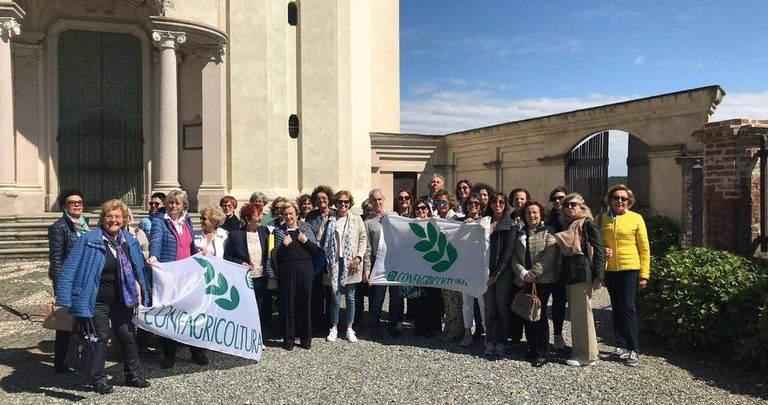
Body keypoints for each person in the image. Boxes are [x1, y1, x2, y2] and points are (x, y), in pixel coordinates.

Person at [55, 199, 150, 394]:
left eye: (117, 216)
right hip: (96, 299)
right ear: (102, 218)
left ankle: (132, 375)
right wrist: (63, 299)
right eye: (109, 216)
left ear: (124, 219)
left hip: (122, 298)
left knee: (127, 336)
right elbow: (69, 268)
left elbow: (137, 268)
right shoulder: (89, 240)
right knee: (99, 338)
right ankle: (98, 379)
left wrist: (142, 288)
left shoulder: (129, 240)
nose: (113, 220)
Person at [149, 189, 208, 369]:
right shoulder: (160, 221)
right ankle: (169, 355)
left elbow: (189, 245)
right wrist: (153, 257)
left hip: (187, 275)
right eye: (170, 202)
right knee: (171, 313)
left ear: (183, 205)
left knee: (192, 312)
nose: (173, 205)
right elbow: (156, 240)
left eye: (177, 203)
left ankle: (196, 351)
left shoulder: (187, 221)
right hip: (170, 275)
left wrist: (196, 252)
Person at [600, 184, 650, 367]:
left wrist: (644, 274)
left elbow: (644, 249)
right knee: (616, 307)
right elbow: (597, 243)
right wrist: (603, 250)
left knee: (628, 307)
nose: (620, 201)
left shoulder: (636, 219)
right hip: (611, 270)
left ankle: (634, 348)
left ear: (629, 202)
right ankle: (620, 344)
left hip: (630, 268)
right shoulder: (602, 219)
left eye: (623, 199)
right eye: (616, 198)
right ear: (610, 200)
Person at [555, 193, 605, 367]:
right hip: (570, 272)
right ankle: (583, 350)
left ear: (581, 206)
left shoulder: (587, 224)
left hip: (581, 272)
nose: (570, 207)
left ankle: (587, 355)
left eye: (573, 204)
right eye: (566, 205)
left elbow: (599, 249)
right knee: (577, 314)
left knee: (583, 314)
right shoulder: (569, 224)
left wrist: (599, 276)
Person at [510, 201, 559, 367]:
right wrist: (523, 273)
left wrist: (533, 273)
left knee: (539, 315)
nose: (532, 216)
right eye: (529, 213)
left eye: (535, 213)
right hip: (523, 279)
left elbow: (549, 256)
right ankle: (531, 347)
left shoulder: (548, 232)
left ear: (541, 214)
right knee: (526, 314)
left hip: (542, 281)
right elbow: (514, 256)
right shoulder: (520, 233)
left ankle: (542, 352)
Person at [268, 201, 320, 350]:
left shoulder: (306, 228)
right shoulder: (278, 231)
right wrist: (284, 245)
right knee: (288, 305)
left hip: (305, 269)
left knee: (305, 303)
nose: (289, 216)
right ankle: (289, 338)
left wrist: (306, 242)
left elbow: (315, 251)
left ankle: (305, 338)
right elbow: (276, 256)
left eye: (291, 213)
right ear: (282, 216)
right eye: (286, 214)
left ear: (297, 214)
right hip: (287, 271)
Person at [48, 189, 89, 374]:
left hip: (82, 277)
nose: (77, 205)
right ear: (64, 206)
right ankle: (61, 363)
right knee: (65, 322)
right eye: (72, 203)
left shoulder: (84, 224)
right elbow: (56, 258)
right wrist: (58, 287)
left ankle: (76, 356)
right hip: (67, 279)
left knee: (80, 318)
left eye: (79, 202)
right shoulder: (59, 227)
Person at [324, 190, 367, 343]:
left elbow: (363, 240)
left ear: (350, 203)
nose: (343, 204)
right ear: (336, 203)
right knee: (334, 297)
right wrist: (326, 257)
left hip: (351, 262)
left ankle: (349, 327)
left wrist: (359, 257)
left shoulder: (357, 220)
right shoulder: (330, 220)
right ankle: (334, 327)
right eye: (340, 201)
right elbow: (322, 240)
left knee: (350, 297)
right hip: (334, 262)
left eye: (346, 202)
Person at [224, 203, 274, 332]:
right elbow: (228, 257)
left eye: (261, 215)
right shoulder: (236, 235)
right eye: (257, 215)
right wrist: (240, 263)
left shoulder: (264, 232)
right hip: (245, 279)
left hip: (261, 278)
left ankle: (258, 336)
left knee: (260, 308)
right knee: (245, 309)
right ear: (247, 218)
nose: (260, 218)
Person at [363, 189, 401, 338]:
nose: (377, 202)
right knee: (378, 297)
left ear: (384, 200)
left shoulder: (394, 216)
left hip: (395, 261)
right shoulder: (368, 222)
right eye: (374, 200)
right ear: (370, 202)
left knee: (396, 297)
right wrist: (367, 269)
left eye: (379, 199)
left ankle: (394, 327)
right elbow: (367, 248)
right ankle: (375, 328)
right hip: (378, 262)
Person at [483, 192, 515, 357]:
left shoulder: (511, 224)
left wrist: (496, 275)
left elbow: (508, 253)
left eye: (501, 201)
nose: (498, 204)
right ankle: (489, 340)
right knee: (488, 308)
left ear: (505, 204)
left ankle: (502, 341)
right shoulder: (484, 222)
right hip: (485, 271)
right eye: (494, 201)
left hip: (502, 273)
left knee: (501, 307)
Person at [305, 185, 336, 335]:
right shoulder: (311, 216)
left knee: (331, 290)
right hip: (316, 256)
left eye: (324, 198)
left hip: (332, 256)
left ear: (329, 199)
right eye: (318, 198)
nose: (321, 200)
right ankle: (317, 323)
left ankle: (331, 323)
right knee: (316, 291)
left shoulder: (336, 214)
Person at [432, 190, 462, 343]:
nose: (441, 205)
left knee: (455, 299)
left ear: (450, 203)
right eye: (438, 202)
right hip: (442, 263)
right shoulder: (437, 219)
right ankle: (449, 328)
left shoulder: (456, 218)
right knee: (447, 299)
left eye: (444, 202)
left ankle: (456, 330)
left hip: (454, 263)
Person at [411, 197, 443, 337]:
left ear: (428, 211)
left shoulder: (435, 223)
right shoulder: (409, 224)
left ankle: (434, 327)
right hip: (417, 266)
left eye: (423, 208)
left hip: (432, 264)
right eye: (417, 208)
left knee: (433, 296)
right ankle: (420, 327)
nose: (420, 211)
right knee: (418, 298)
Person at [459, 193, 486, 347]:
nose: (473, 206)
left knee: (482, 303)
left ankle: (487, 335)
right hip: (466, 268)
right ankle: (467, 332)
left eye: (476, 203)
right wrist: (466, 225)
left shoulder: (485, 221)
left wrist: (475, 223)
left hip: (480, 269)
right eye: (470, 203)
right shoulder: (461, 223)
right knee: (467, 302)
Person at [545, 186, 568, 350]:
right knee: (543, 302)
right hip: (549, 266)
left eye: (561, 198)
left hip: (566, 267)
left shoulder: (573, 219)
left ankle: (558, 335)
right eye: (555, 198)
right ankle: (542, 336)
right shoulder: (547, 218)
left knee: (560, 303)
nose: (558, 201)